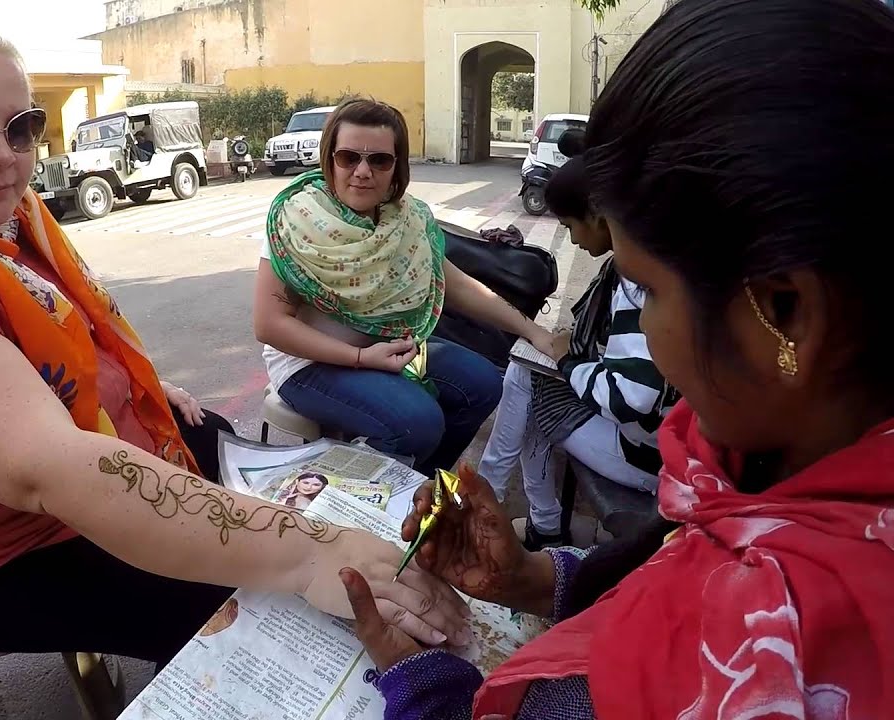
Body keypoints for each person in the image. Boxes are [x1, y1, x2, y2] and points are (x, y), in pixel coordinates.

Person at [0, 28, 469, 667]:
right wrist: (310, 554)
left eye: (24, 128)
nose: (4, 155)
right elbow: (48, 470)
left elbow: (67, 337)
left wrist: (141, 393)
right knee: (242, 604)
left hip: (79, 465)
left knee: (232, 448)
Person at [337, 0, 894, 716]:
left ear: (785, 311)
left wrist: (425, 687)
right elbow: (672, 550)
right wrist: (538, 581)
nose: (362, 172)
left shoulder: (775, 648)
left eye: (653, 290)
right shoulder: (763, 469)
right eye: (348, 158)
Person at [254, 99, 555, 474]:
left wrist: (533, 331)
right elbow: (269, 325)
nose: (363, 172)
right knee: (418, 423)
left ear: (397, 168)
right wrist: (361, 359)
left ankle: (418, 487)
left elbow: (456, 284)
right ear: (329, 159)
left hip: (386, 348)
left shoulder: (407, 221)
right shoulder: (297, 220)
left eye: (379, 160)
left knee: (482, 384)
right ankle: (350, 508)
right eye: (349, 158)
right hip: (309, 363)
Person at [476, 156, 676, 549]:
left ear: (600, 217)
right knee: (530, 373)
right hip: (655, 444)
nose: (572, 240)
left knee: (525, 379)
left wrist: (569, 361)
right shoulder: (646, 266)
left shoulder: (639, 284)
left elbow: (631, 400)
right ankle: (530, 516)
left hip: (651, 458)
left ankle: (491, 501)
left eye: (570, 226)